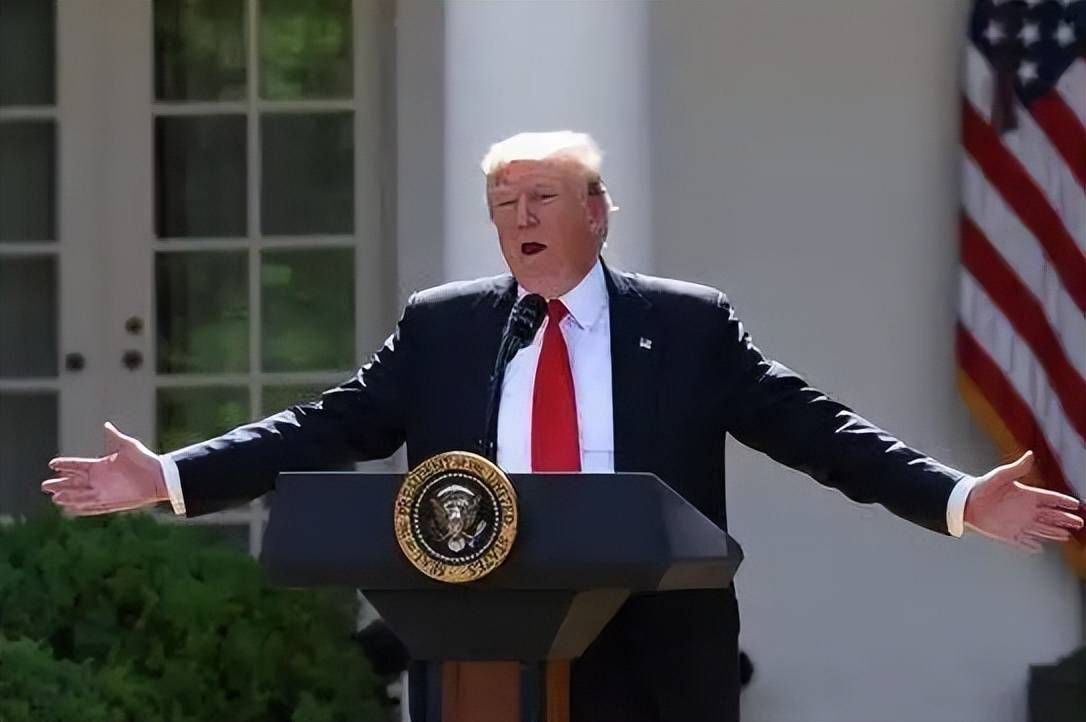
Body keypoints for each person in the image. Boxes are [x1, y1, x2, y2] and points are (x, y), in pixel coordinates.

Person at [41, 131, 1084, 721]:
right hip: (484, 640)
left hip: (656, 646)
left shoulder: (686, 325)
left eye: (543, 197)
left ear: (598, 211)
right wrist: (170, 475)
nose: (522, 219)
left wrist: (958, 497)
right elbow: (332, 423)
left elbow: (818, 431)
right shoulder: (448, 327)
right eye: (504, 205)